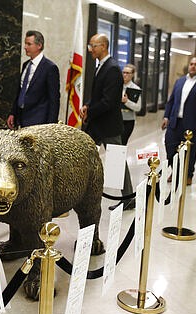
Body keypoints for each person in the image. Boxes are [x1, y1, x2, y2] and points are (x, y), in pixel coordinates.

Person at [79, 33, 134, 211]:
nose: (90, 50)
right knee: (85, 158)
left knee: (117, 162)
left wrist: (90, 111)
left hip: (108, 126)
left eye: (93, 46)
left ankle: (128, 198)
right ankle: (81, 194)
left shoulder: (112, 68)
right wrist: (87, 105)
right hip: (96, 125)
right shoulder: (101, 66)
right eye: (90, 46)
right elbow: (97, 95)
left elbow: (109, 101)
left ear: (103, 46)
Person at [161, 56, 196, 186]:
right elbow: (172, 101)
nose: (193, 66)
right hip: (175, 122)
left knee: (190, 152)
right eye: (191, 64)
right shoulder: (180, 81)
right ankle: (175, 171)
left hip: (194, 124)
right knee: (170, 148)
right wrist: (166, 117)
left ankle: (188, 175)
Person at [7, 30, 60, 129]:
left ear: (39, 45)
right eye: (25, 43)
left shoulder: (50, 68)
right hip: (21, 120)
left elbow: (54, 100)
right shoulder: (26, 65)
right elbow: (21, 92)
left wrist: (51, 126)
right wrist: (13, 113)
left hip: (39, 123)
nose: (25, 47)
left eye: (29, 44)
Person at [121, 64, 141, 145]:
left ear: (132, 75)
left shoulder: (136, 89)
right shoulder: (117, 86)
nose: (125, 75)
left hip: (128, 121)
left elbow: (138, 107)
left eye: (127, 73)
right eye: (123, 72)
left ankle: (121, 158)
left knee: (122, 142)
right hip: (116, 119)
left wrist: (127, 102)